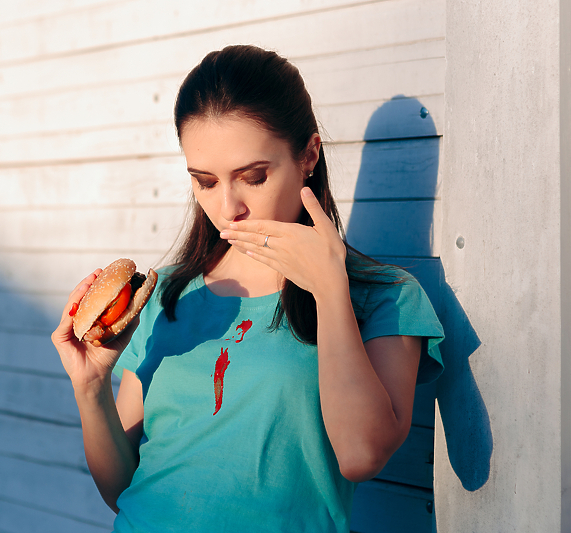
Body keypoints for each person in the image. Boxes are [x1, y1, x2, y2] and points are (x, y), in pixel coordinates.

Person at [52, 44, 444, 533]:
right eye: (205, 181)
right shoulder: (170, 294)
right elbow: (123, 489)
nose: (228, 207)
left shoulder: (382, 296)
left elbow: (362, 455)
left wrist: (329, 289)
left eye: (252, 177)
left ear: (308, 156)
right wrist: (90, 387)